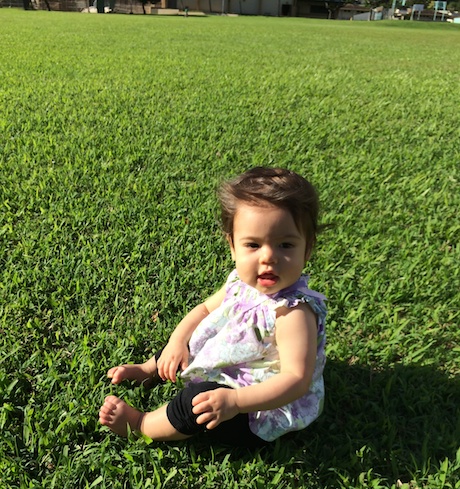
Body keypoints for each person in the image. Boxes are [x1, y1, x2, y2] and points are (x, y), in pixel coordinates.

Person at [99, 167, 327, 448]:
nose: (268, 257)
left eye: (286, 245)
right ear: (233, 246)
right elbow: (204, 311)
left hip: (257, 405)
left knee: (196, 402)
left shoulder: (292, 313)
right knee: (196, 336)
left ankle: (141, 424)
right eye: (253, 245)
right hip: (234, 365)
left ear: (307, 248)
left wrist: (235, 400)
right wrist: (177, 342)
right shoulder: (239, 283)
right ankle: (150, 369)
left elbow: (295, 380)